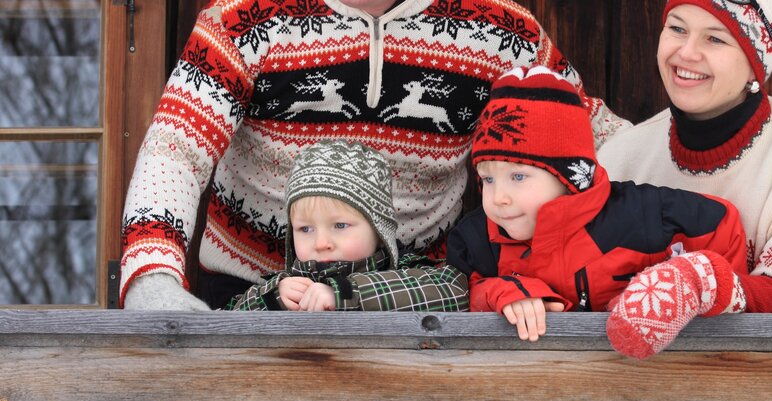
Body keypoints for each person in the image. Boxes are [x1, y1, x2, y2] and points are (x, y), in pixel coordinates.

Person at [119, 0, 628, 311]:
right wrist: (152, 278)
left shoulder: (500, 28)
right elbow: (176, 148)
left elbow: (595, 139)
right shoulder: (242, 17)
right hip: (249, 293)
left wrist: (699, 178)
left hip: (418, 298)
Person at [598, 0, 772, 354]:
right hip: (651, 375)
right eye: (677, 28)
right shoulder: (621, 157)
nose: (686, 52)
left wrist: (703, 284)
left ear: (755, 67)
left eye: (715, 39)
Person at [447, 66, 748, 353]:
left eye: (519, 177)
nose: (499, 197)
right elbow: (463, 291)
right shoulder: (477, 240)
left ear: (568, 178)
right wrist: (506, 292)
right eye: (488, 179)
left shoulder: (637, 217)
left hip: (648, 374)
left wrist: (703, 296)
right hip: (535, 381)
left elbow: (720, 225)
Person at [226, 140, 468, 311]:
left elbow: (454, 290)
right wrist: (270, 299)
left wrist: (345, 292)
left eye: (340, 225)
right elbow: (226, 322)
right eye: (305, 229)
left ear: (377, 229)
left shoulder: (404, 273)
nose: (321, 244)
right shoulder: (286, 286)